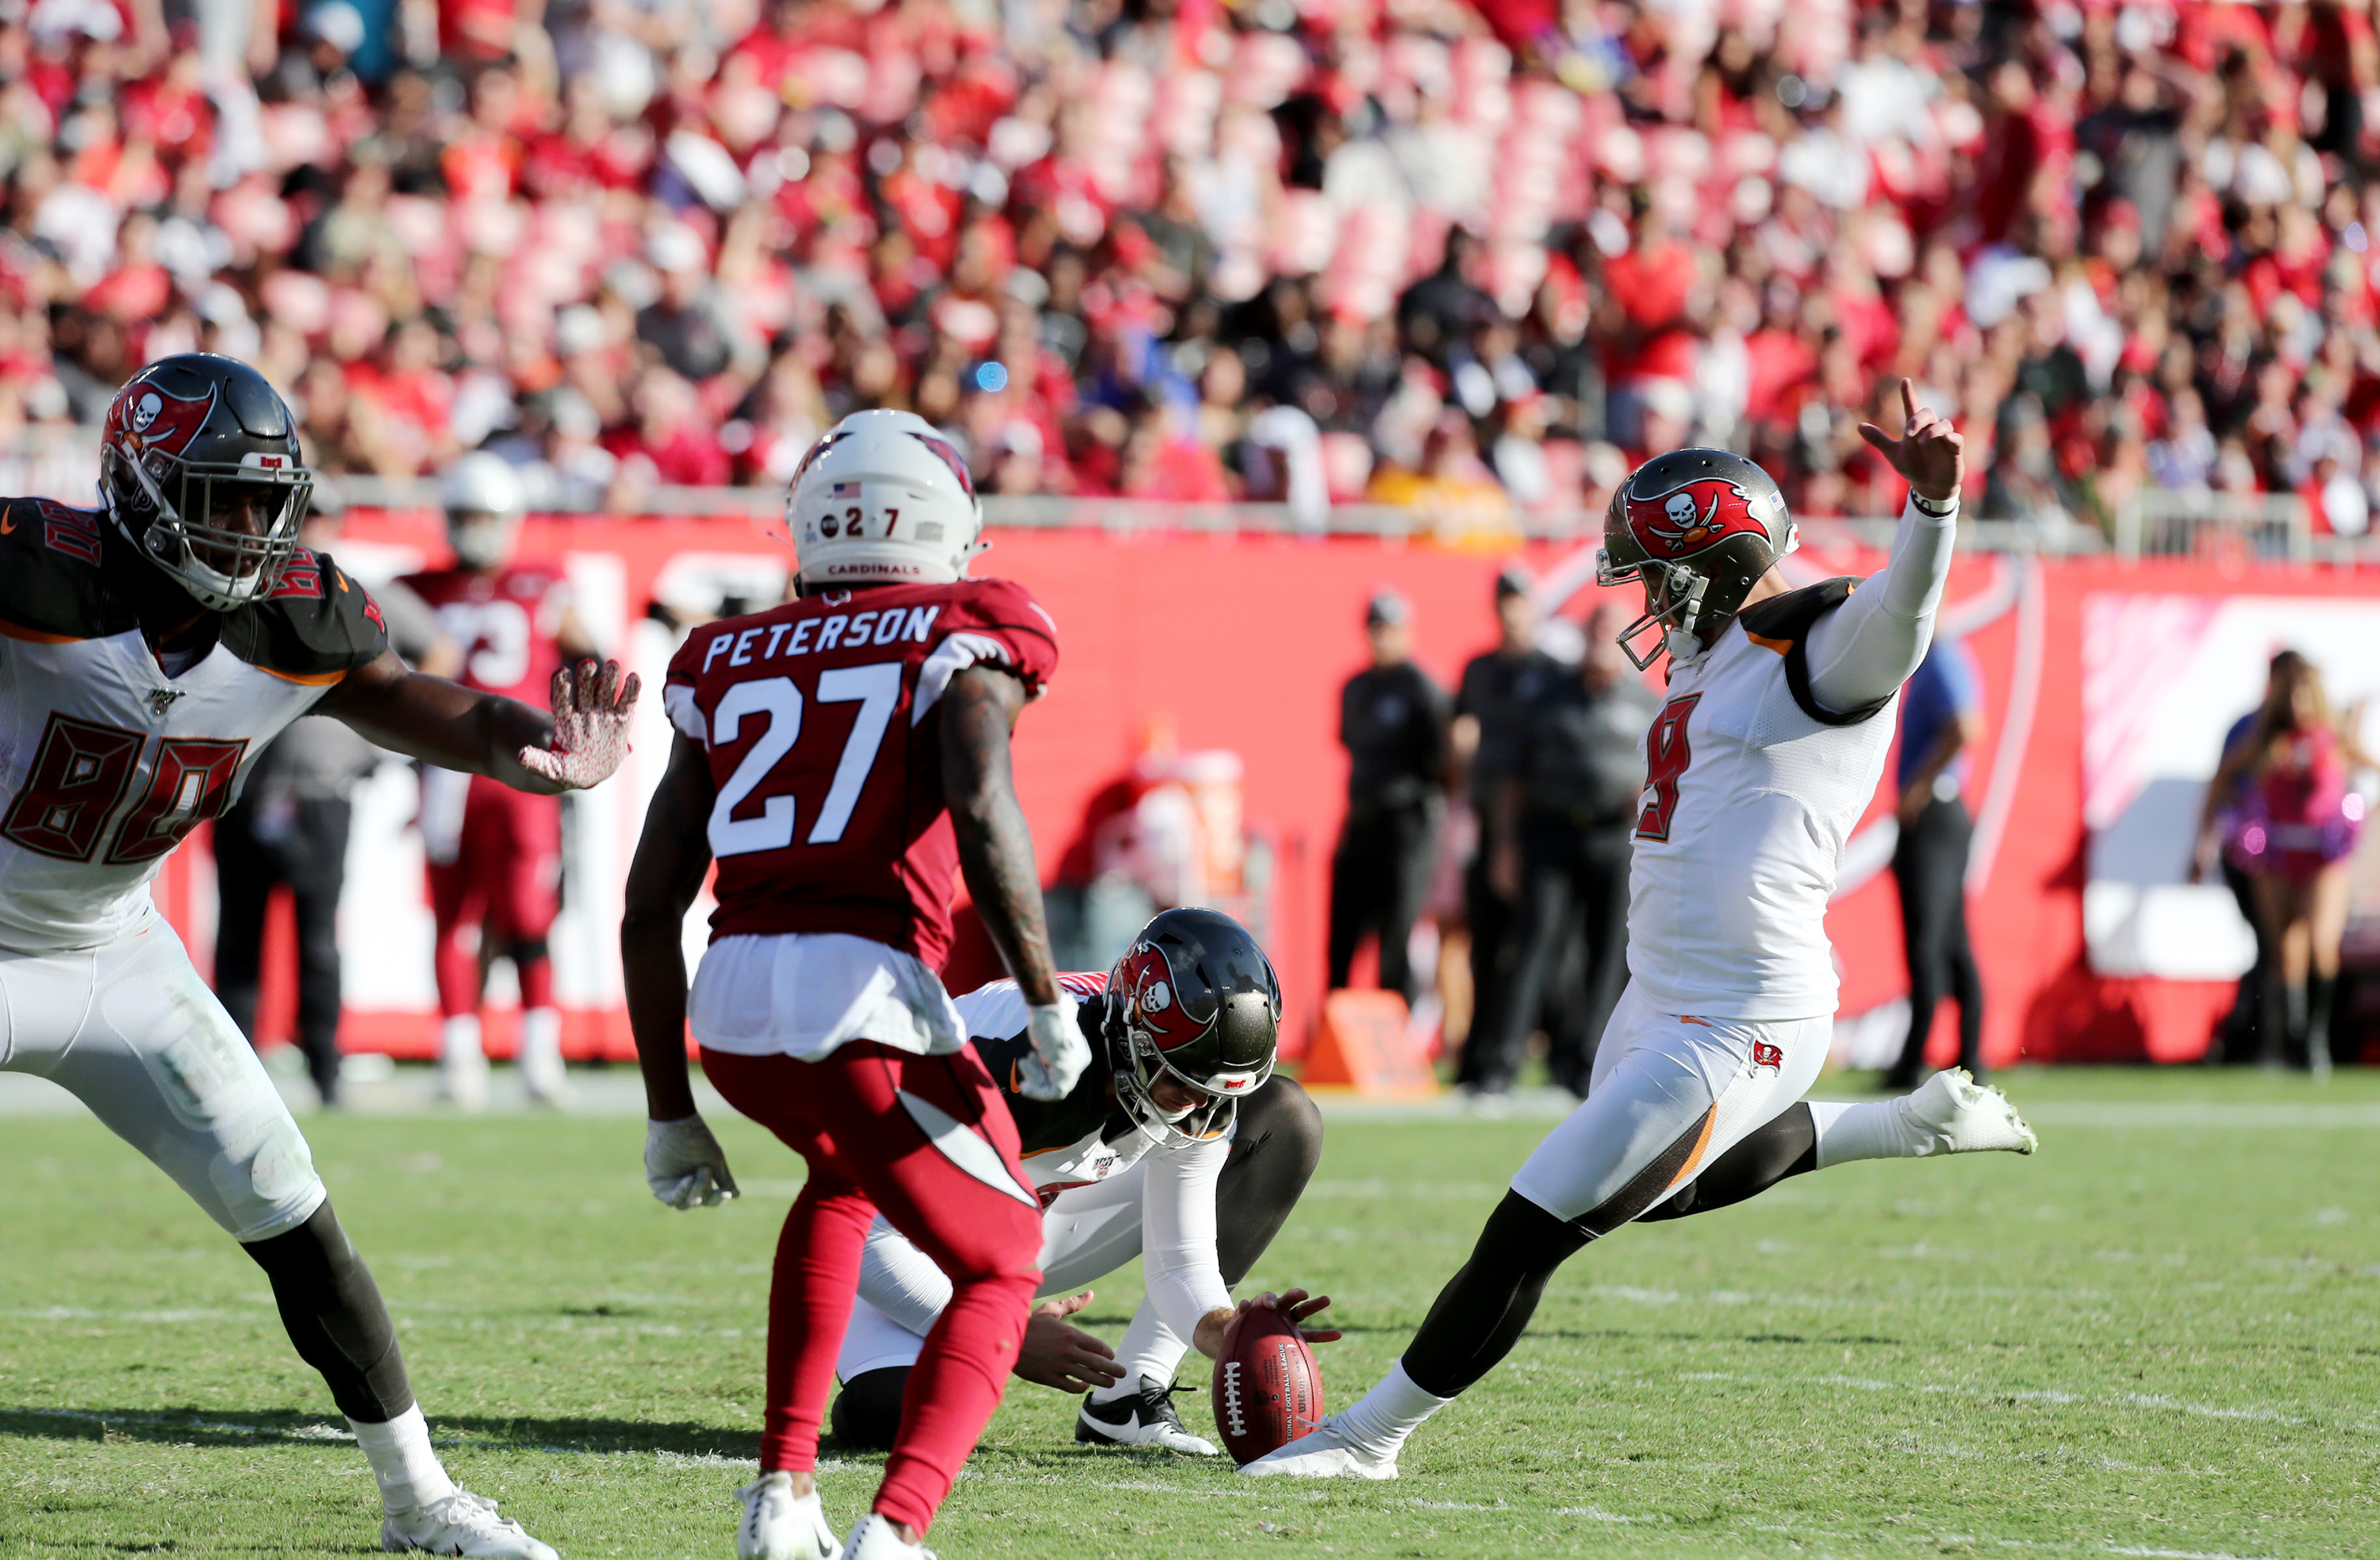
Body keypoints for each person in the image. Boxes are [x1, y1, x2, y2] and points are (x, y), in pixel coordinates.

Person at [1246, 381, 2038, 1482]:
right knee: (1645, 1191)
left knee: (1533, 1223)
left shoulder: (1822, 648)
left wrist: (1935, 509)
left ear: (1714, 561)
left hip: (1742, 1007)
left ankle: (1367, 1437)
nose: (1647, 599)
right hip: (1659, 988)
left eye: (1659, 574)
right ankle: (1900, 1123)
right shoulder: (1729, 649)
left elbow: (1902, 617)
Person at [0, 353, 635, 1555]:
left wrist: (536, 748)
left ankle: (421, 1498)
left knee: (289, 1199)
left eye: (264, 498)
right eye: (220, 496)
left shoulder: (297, 613)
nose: (248, 526)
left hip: (115, 950)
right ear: (135, 486)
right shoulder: (35, 564)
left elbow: (412, 696)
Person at [620, 409, 1095, 1560]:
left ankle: (782, 1500)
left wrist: (670, 1110)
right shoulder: (971, 619)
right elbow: (983, 810)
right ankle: (896, 1529)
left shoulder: (726, 649)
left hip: (732, 1001)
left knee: (838, 1179)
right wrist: (1040, 998)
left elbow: (648, 902)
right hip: (863, 987)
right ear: (945, 525)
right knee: (1000, 1260)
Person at [827, 909, 1334, 1458]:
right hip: (918, 1249)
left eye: (1214, 1088)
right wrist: (1004, 1334)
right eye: (1182, 1079)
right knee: (901, 1412)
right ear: (1132, 1035)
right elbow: (863, 1237)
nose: (1201, 1104)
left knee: (1285, 1117)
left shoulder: (1192, 1073)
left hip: (1045, 1219)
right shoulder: (1007, 1054)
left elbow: (1180, 1261)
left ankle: (1129, 1397)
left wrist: (1225, 1331)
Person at [212, 495, 455, 1106]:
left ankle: (327, 1071)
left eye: (319, 516)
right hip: (245, 788)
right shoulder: (240, 583)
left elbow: (438, 650)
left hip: (323, 790)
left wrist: (392, 739)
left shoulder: (354, 593)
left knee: (317, 938)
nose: (307, 526)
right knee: (239, 939)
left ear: (339, 523)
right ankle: (233, 1078)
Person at [398, 453, 600, 1108]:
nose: (475, 528)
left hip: (521, 772)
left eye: (485, 515)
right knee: (453, 916)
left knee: (527, 913)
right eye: (465, 515)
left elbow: (590, 659)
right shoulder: (418, 588)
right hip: (454, 772)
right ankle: (459, 1051)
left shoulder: (542, 583)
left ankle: (538, 1049)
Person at [1465, 599, 1660, 1098]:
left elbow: (1664, 773)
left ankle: (1587, 1065)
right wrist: (1505, 846)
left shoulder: (1643, 701)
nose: (1603, 641)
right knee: (1533, 946)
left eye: (1613, 630)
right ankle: (1501, 1063)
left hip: (1614, 838)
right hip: (1550, 833)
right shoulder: (1548, 698)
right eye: (1596, 630)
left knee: (1607, 955)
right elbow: (1514, 780)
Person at [2198, 654, 2374, 1078]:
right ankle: (2287, 1042)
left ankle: (2316, 1040)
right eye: (2289, 692)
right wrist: (2208, 837)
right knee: (2283, 952)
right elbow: (2224, 777)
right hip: (2277, 855)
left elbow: (2365, 767)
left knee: (2320, 945)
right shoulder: (2264, 738)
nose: (2296, 701)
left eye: (2303, 691)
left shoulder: (2333, 736)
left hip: (2322, 857)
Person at [1450, 566, 1563, 1087]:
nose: (1511, 609)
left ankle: (1519, 1055)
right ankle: (1480, 1057)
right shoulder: (1478, 669)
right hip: (1486, 818)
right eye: (1505, 600)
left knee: (1538, 946)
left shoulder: (1552, 673)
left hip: (1538, 823)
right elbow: (1461, 731)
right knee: (1484, 943)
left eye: (1519, 599)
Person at [1327, 589, 1451, 1007]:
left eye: (1388, 628)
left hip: (1407, 823)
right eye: (1374, 628)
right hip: (1362, 817)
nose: (1380, 638)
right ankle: (1336, 1026)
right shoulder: (1356, 688)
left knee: (1396, 936)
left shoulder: (1422, 688)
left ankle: (1397, 1033)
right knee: (1342, 933)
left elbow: (1443, 760)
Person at [1882, 634, 1987, 1089]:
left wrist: (1920, 785)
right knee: (1948, 939)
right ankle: (1965, 1057)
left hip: (1937, 813)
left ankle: (1917, 1059)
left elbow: (1966, 726)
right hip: (1934, 813)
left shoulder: (1942, 656)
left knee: (1931, 941)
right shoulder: (1926, 661)